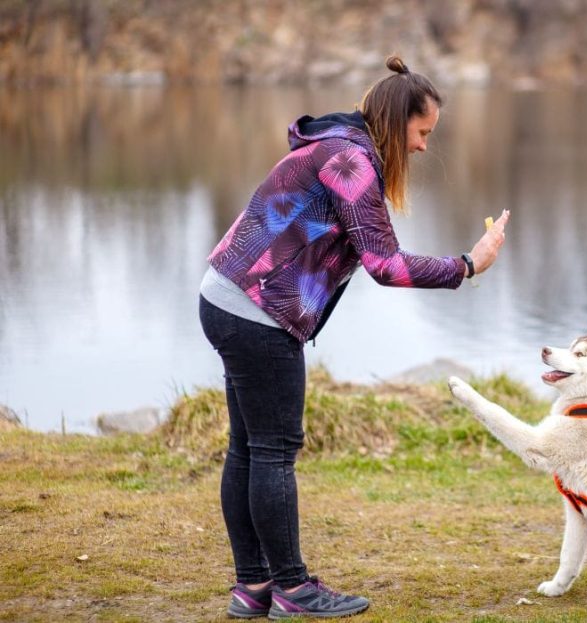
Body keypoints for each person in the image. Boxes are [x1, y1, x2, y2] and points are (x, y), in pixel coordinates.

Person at [198, 55, 509, 619]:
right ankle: (292, 589)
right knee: (272, 451)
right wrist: (467, 265)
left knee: (248, 448)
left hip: (223, 296)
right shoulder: (352, 162)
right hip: (257, 311)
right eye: (421, 133)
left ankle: (253, 588)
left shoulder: (337, 143)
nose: (421, 147)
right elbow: (384, 265)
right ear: (396, 123)